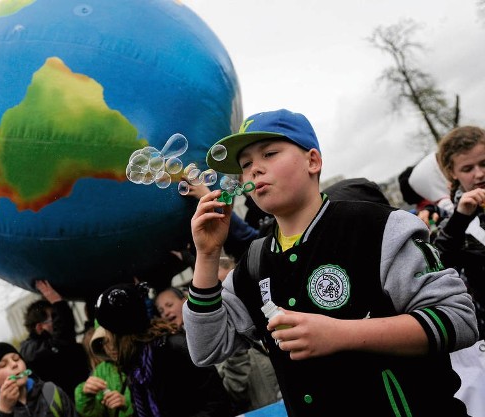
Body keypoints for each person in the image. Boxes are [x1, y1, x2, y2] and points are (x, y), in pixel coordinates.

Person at [182, 109, 478, 416]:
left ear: (313, 161)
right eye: (245, 165)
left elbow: (457, 320)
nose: (254, 170)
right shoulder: (254, 263)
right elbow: (207, 349)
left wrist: (340, 334)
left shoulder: (379, 227)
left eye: (269, 153)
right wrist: (207, 254)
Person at [95, 282, 234, 417]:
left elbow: (216, 402)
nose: (106, 337)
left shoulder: (172, 348)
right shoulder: (137, 362)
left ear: (119, 332)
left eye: (107, 330)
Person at [433, 125, 485, 417]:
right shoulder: (453, 221)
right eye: (468, 168)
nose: (479, 174)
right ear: (453, 173)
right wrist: (461, 218)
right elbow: (438, 266)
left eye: (484, 164)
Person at [19, 280, 90, 401]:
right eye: (54, 318)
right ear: (40, 327)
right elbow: (60, 343)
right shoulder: (30, 350)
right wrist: (59, 304)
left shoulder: (64, 345)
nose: (58, 321)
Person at [0, 342, 79, 417]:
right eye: (3, 365)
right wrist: (4, 411)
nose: (14, 364)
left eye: (16, 359)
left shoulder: (50, 392)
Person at [75, 323, 134, 417]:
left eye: (115, 338)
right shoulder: (102, 370)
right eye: (104, 341)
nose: (111, 347)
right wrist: (85, 395)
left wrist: (129, 404)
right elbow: (95, 413)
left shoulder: (142, 360)